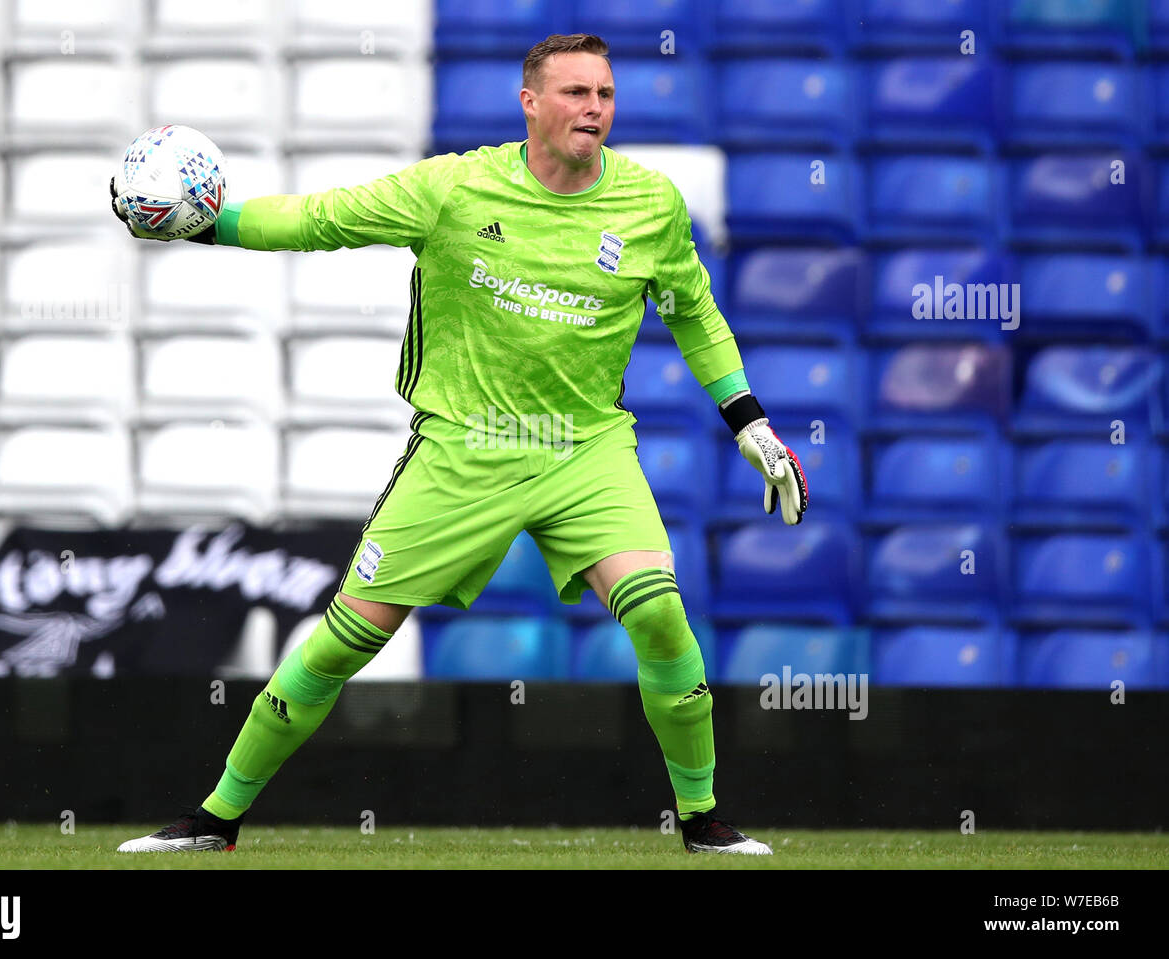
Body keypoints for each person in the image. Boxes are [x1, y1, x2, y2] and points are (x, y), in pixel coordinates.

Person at [112, 33, 807, 855]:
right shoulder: (454, 186)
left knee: (660, 615)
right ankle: (217, 817)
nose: (594, 108)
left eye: (606, 94)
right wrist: (205, 226)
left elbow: (695, 314)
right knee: (344, 639)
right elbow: (317, 220)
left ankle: (702, 821)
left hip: (584, 448)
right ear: (530, 103)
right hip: (463, 449)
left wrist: (749, 422)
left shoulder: (650, 204)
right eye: (576, 92)